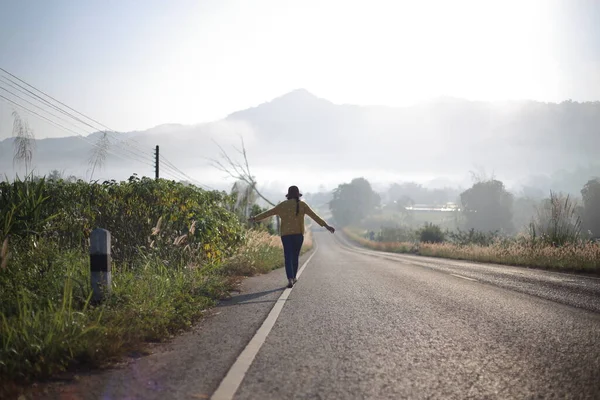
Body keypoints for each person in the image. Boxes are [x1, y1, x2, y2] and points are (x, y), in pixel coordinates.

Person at [249, 185, 335, 288]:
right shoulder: (302, 205)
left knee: (288, 257)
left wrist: (255, 218)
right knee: (295, 257)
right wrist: (326, 225)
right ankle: (294, 277)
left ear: (288, 195)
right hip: (298, 235)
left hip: (286, 236)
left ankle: (290, 278)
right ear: (298, 195)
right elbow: (314, 216)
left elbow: (268, 213)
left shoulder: (282, 205)